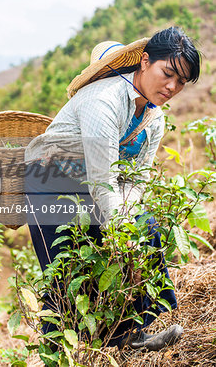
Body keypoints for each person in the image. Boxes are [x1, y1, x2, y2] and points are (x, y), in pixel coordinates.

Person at [24, 26, 201, 350]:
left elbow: (136, 177)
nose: (172, 86)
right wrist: (120, 229)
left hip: (91, 183)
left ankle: (129, 335)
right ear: (145, 62)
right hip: (49, 182)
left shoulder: (154, 117)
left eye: (181, 81)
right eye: (168, 73)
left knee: (145, 229)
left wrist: (128, 224)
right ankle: (54, 353)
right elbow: (104, 182)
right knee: (63, 270)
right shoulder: (102, 101)